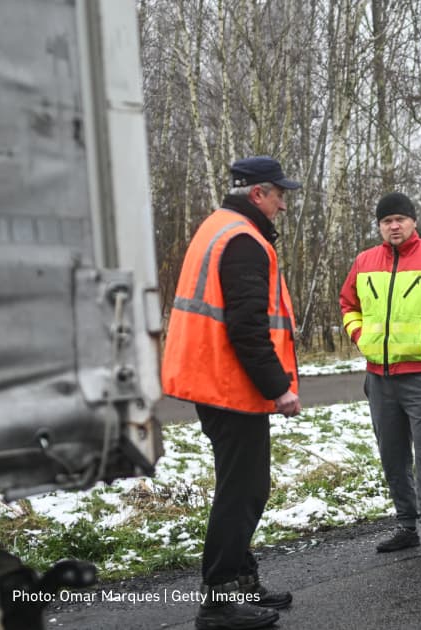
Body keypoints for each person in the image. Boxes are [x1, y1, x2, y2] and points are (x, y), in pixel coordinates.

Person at [161, 156, 302, 630]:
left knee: (243, 487)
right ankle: (220, 599)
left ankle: (240, 580)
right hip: (229, 384)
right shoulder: (243, 240)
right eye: (280, 194)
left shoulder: (219, 227)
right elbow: (247, 327)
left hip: (217, 381)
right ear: (258, 193)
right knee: (242, 491)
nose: (283, 203)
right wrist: (277, 389)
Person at [339, 192, 421, 556]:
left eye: (400, 219)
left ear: (413, 221)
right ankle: (405, 525)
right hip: (379, 377)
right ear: (379, 226)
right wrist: (359, 335)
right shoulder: (364, 261)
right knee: (392, 454)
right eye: (386, 221)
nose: (393, 226)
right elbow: (348, 304)